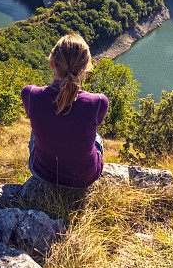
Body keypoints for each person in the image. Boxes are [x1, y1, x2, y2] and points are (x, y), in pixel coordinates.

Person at [21, 33, 109, 188]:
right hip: (84, 178)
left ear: (52, 63)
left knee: (36, 126)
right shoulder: (99, 102)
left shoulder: (30, 94)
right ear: (86, 69)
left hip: (42, 173)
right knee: (96, 135)